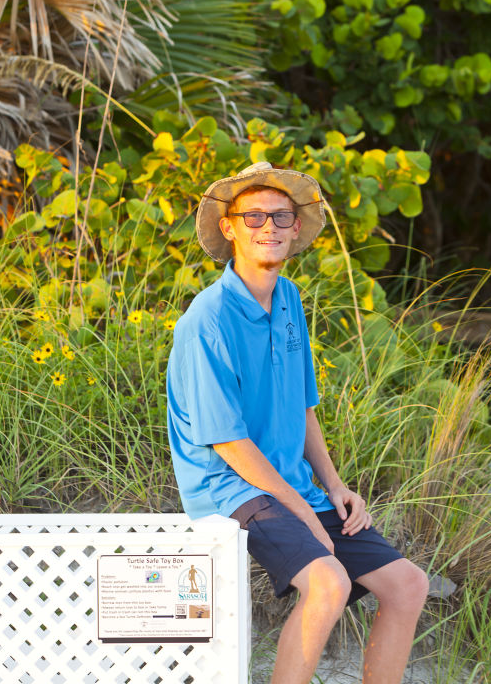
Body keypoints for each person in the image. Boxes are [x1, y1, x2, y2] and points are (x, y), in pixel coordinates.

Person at [166, 162, 430, 684]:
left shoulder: (289, 300)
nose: (269, 227)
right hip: (230, 490)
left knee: (408, 585)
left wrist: (334, 486)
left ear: (295, 227)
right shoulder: (207, 320)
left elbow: (302, 407)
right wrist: (306, 516)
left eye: (280, 217)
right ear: (230, 227)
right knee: (328, 583)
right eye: (255, 216)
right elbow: (229, 444)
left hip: (292, 487)